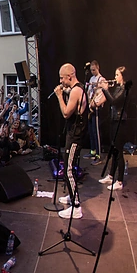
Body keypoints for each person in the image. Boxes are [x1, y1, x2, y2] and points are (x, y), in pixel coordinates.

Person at [54, 63, 88, 220]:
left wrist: (60, 96)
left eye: (62, 78)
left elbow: (67, 113)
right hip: (72, 133)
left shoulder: (76, 90)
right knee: (68, 166)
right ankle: (71, 194)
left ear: (70, 76)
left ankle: (76, 207)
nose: (61, 81)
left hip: (75, 135)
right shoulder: (76, 88)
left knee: (68, 169)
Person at [98, 66, 129, 191]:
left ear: (122, 76)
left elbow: (114, 101)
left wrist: (105, 90)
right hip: (114, 121)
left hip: (120, 122)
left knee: (119, 151)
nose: (115, 77)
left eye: (117, 75)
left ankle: (120, 181)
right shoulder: (118, 88)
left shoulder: (125, 88)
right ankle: (111, 175)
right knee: (113, 150)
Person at [85, 60, 107, 164]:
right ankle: (93, 151)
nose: (92, 72)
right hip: (90, 107)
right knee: (91, 131)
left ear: (98, 68)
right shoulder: (91, 79)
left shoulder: (101, 79)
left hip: (97, 108)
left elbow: (103, 93)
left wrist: (95, 104)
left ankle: (99, 155)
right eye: (91, 70)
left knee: (96, 131)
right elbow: (89, 92)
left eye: (94, 70)